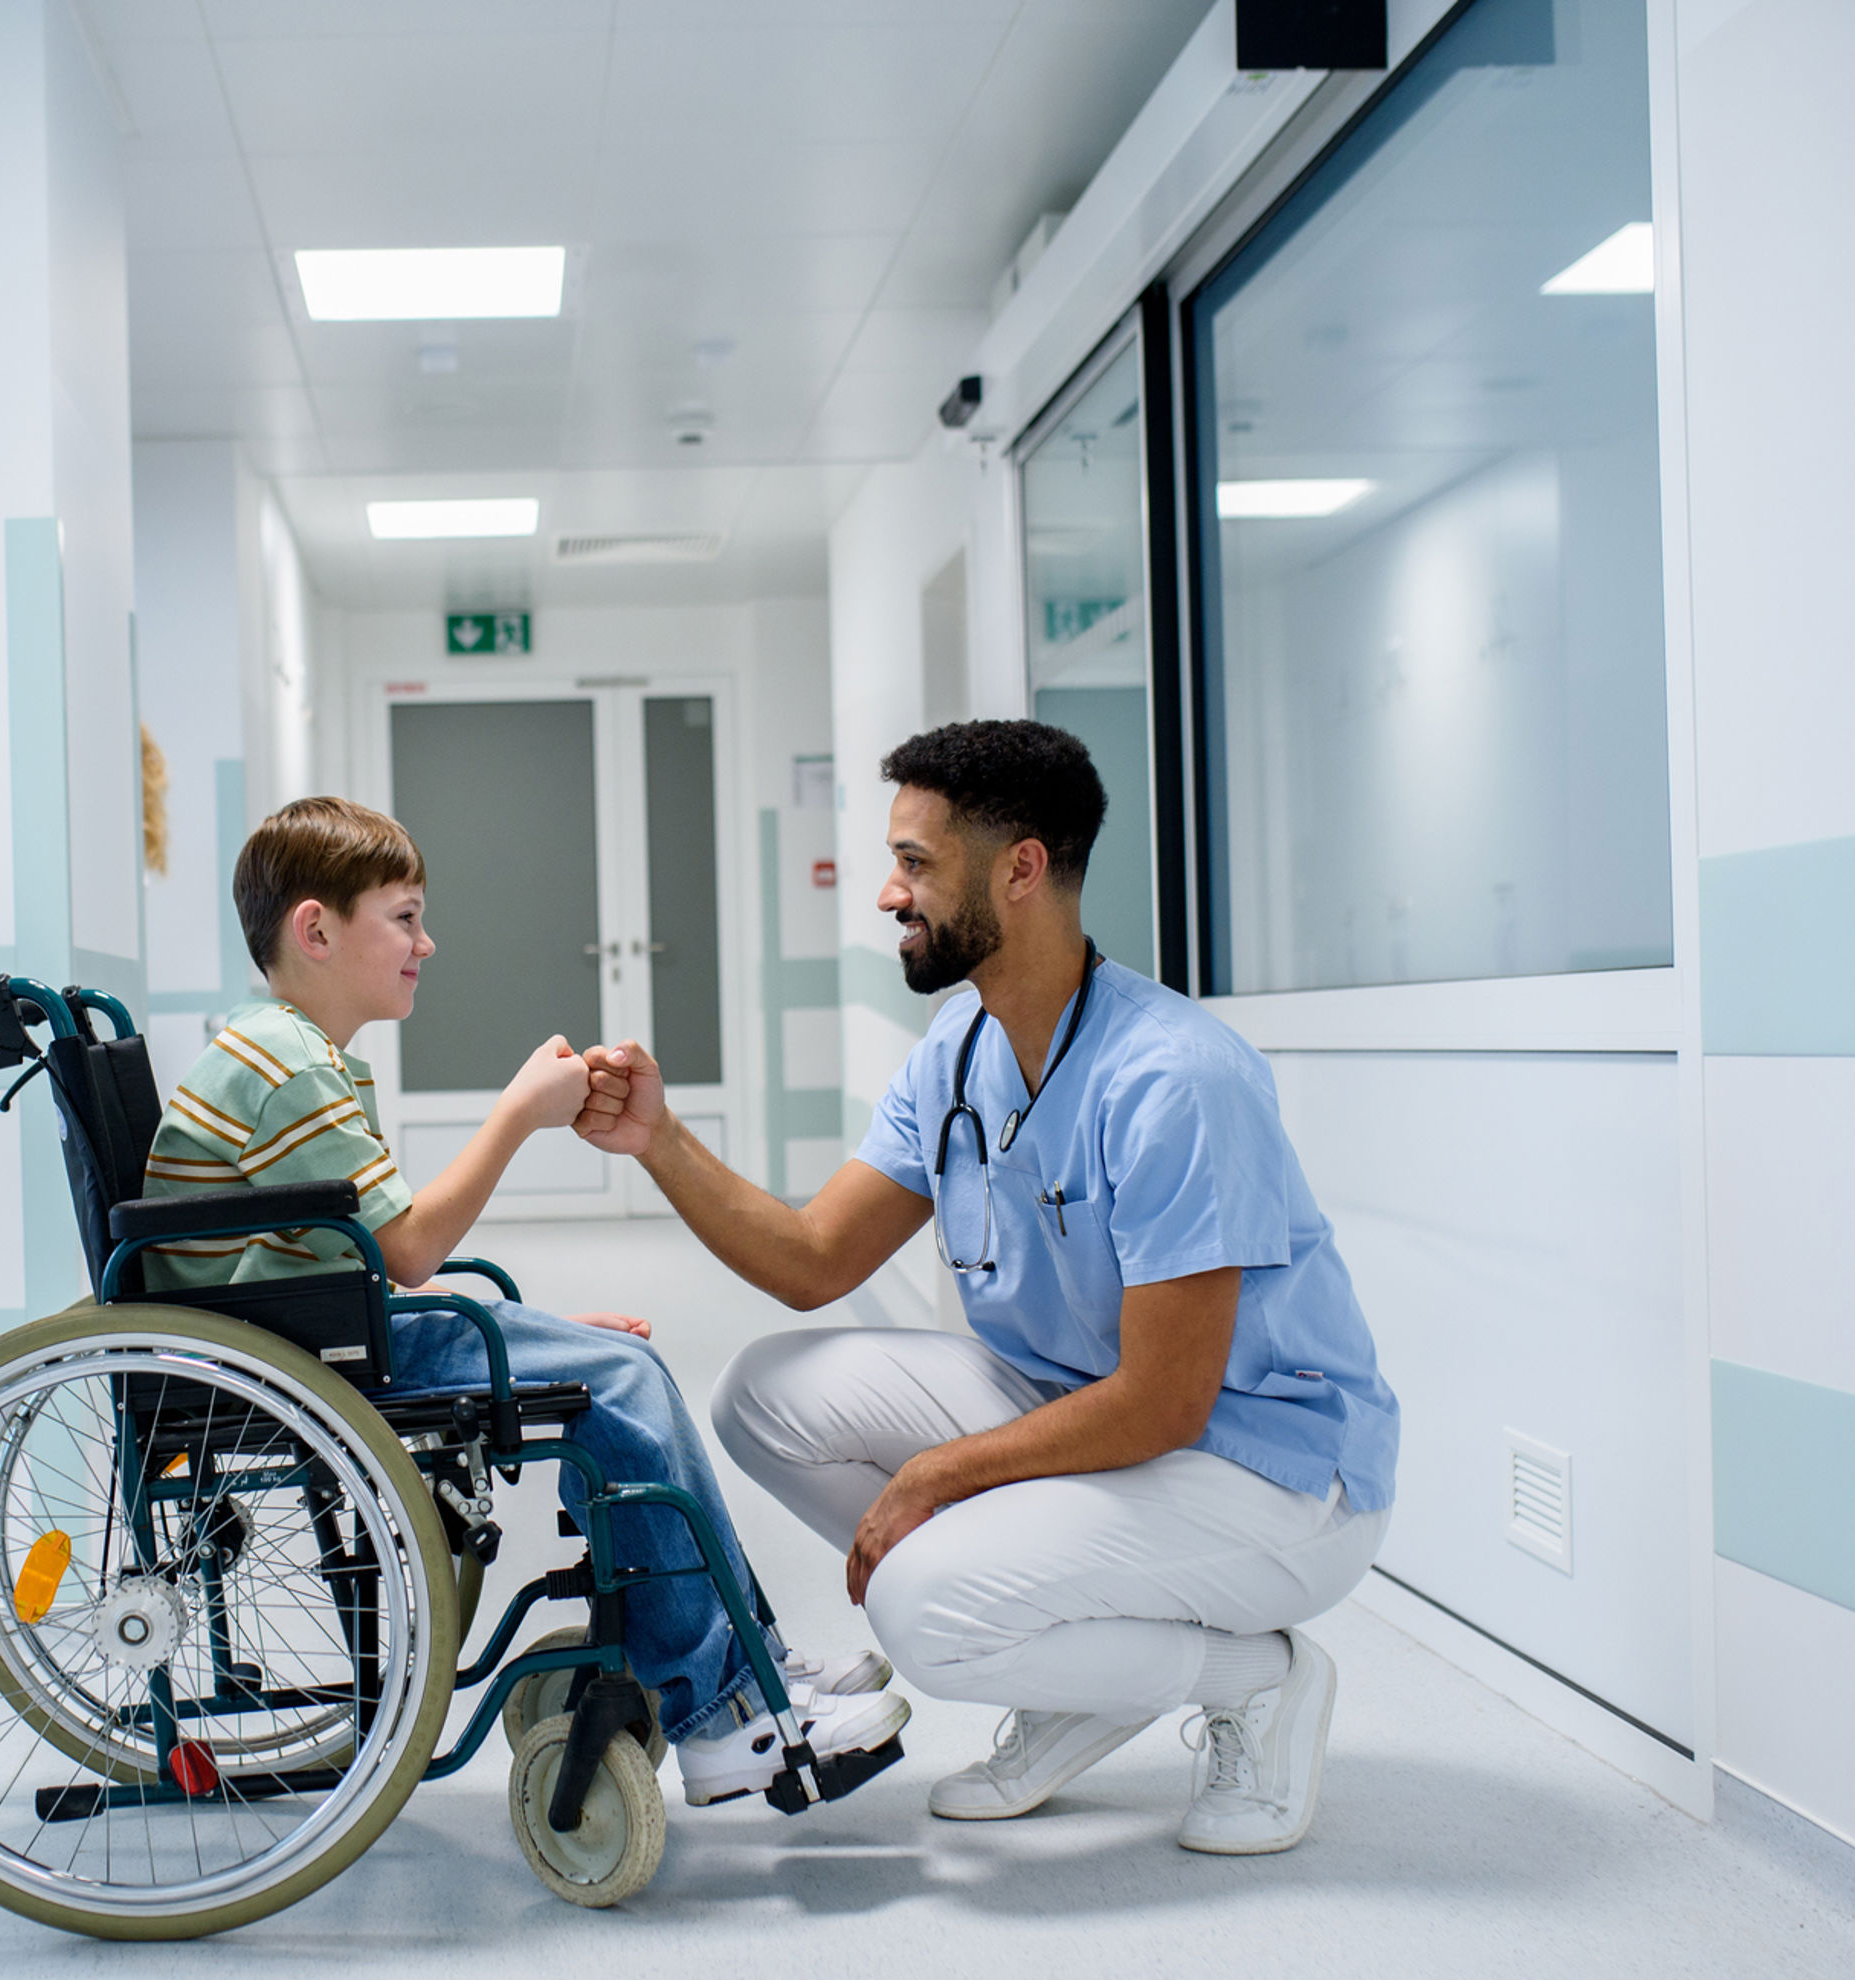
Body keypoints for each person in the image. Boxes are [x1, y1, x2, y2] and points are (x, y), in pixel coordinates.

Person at [574, 721, 1396, 1853]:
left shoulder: (1175, 1081)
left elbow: (1166, 1402)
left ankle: (1254, 1679)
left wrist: (938, 1476)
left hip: (1263, 1472)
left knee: (924, 1608)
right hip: (1093, 1413)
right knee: (762, 1394)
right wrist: (660, 1140)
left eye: (914, 863)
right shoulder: (961, 1045)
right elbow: (815, 1261)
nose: (885, 893)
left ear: (1020, 869)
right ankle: (1087, 1682)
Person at [144, 795, 910, 1803]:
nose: (427, 941)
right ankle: (724, 1713)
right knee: (619, 1384)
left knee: (614, 1367)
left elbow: (358, 1256)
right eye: (405, 916)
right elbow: (411, 1251)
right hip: (285, 1357)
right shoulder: (285, 1064)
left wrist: (532, 1330)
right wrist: (517, 1115)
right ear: (317, 929)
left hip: (307, 1330)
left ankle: (740, 1664)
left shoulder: (284, 1048)